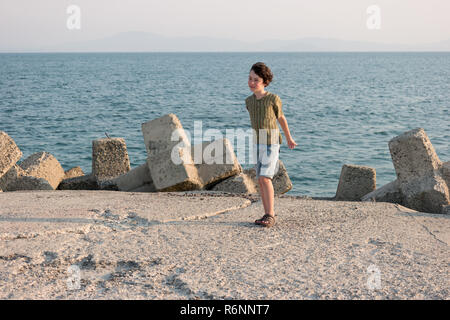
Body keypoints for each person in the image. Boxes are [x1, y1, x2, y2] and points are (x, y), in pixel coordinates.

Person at [246, 62, 297, 227]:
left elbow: (281, 118)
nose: (252, 82)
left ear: (264, 82)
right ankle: (267, 214)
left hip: (271, 143)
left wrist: (289, 138)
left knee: (265, 178)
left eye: (256, 80)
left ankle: (270, 214)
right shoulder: (249, 101)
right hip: (257, 144)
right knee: (260, 180)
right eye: (250, 78)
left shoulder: (273, 99)